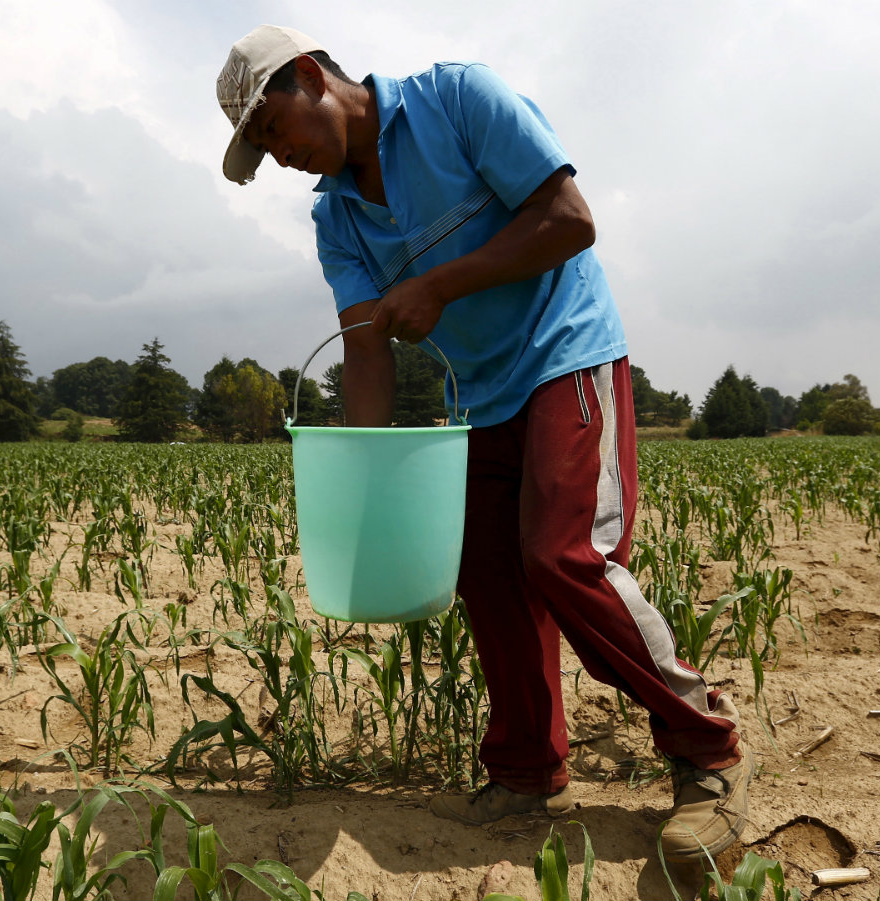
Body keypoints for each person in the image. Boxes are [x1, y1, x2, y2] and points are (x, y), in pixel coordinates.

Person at [215, 24, 750, 859]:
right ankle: (528, 768)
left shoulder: (457, 100)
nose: (276, 157)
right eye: (259, 149)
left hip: (564, 349)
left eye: (271, 130)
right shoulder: (337, 222)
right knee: (486, 572)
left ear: (311, 77)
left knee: (562, 554)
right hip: (482, 394)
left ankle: (707, 746)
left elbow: (570, 220)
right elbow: (364, 348)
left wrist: (440, 282)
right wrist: (367, 484)